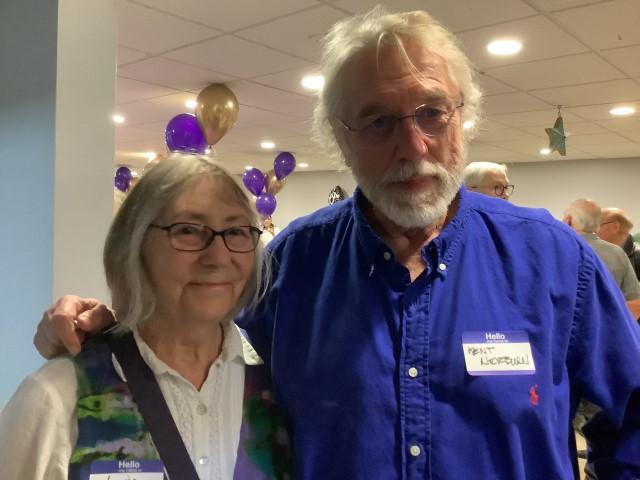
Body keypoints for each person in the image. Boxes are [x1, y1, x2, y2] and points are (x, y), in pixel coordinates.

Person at [35, 7, 640, 479]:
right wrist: (107, 327)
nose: (413, 145)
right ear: (340, 139)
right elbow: (193, 346)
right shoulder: (291, 267)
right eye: (378, 121)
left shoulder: (555, 262)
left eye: (432, 112)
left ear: (463, 116)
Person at [1, 153, 290, 480]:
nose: (219, 256)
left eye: (236, 231)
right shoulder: (60, 398)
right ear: (133, 245)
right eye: (188, 230)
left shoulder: (279, 384)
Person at [563, 198, 640, 318]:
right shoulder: (618, 254)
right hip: (612, 328)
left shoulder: (556, 251)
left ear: (568, 221)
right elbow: (635, 305)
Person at [597, 207, 640, 281]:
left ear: (615, 227)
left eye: (597, 225)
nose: (593, 230)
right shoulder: (599, 253)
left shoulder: (638, 255)